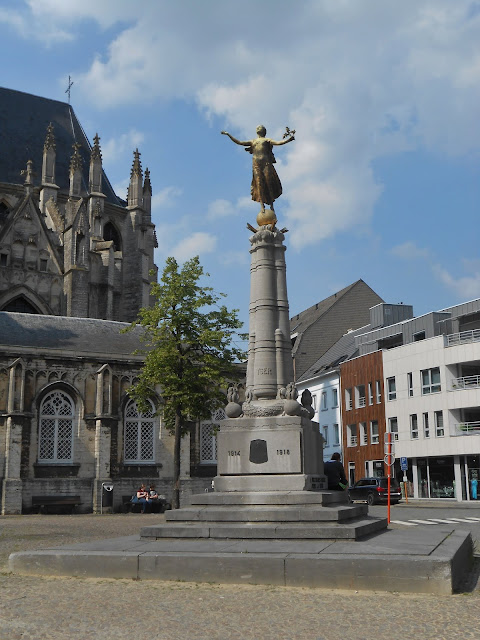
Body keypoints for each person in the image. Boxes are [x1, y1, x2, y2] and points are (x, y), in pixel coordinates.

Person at [221, 125, 295, 213]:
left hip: (266, 163)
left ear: (264, 131)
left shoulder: (267, 140)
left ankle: (271, 204)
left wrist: (288, 140)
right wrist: (228, 134)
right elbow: (240, 142)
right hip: (256, 165)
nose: (258, 128)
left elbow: (278, 143)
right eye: (257, 127)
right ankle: (262, 205)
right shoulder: (253, 141)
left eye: (260, 127)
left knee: (269, 182)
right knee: (259, 183)